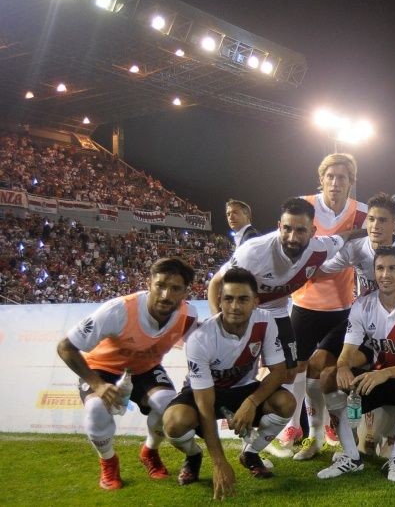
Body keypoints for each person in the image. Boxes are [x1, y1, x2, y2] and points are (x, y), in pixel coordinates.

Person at [301, 192, 395, 458]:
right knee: (317, 363)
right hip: (362, 318)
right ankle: (315, 436)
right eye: (371, 219)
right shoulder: (357, 247)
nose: (375, 226)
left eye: (382, 220)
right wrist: (295, 268)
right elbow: (323, 267)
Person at [56, 257, 198, 490]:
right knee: (96, 408)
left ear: (185, 292)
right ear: (149, 283)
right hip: (101, 369)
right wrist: (97, 384)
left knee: (168, 406)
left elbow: (199, 351)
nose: (166, 295)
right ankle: (108, 462)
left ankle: (149, 452)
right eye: (160, 285)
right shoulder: (118, 310)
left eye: (175, 288)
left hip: (145, 369)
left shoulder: (189, 315)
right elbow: (65, 347)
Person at [162, 267, 295, 499]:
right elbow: (205, 405)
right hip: (205, 393)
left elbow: (278, 372)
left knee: (286, 402)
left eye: (243, 299)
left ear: (255, 302)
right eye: (228, 299)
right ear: (219, 301)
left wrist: (251, 402)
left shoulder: (265, 321)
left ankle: (250, 453)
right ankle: (193, 455)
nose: (235, 306)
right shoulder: (200, 339)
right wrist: (219, 462)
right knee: (174, 423)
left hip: (243, 389)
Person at [207, 198, 361, 380]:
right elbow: (216, 283)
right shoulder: (253, 252)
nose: (292, 238)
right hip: (249, 313)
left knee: (289, 373)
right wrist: (219, 325)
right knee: (236, 371)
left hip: (278, 312)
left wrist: (378, 233)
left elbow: (344, 236)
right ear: (279, 226)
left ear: (312, 232)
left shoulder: (320, 249)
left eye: (301, 230)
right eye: (287, 228)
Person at [315, 246, 395, 482]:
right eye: (380, 268)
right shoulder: (362, 304)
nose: (385, 275)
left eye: (392, 268)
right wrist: (342, 367)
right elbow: (348, 351)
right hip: (374, 380)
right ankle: (351, 455)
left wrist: (386, 373)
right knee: (328, 375)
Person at [280, 153, 368, 458]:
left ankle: (327, 425)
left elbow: (383, 234)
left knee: (327, 368)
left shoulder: (361, 213)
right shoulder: (304, 205)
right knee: (297, 368)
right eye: (330, 176)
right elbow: (287, 242)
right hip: (304, 303)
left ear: (351, 181)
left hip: (341, 307)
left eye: (342, 177)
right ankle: (295, 426)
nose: (335, 182)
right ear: (321, 179)